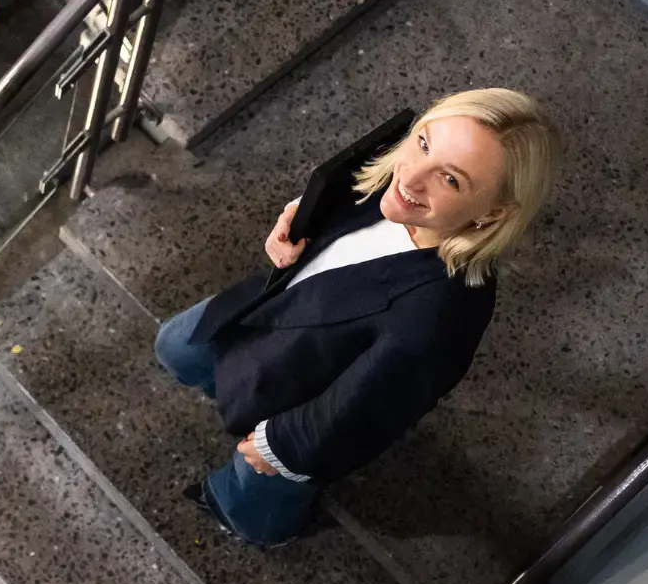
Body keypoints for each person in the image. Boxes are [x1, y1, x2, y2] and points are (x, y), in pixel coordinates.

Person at [155, 89, 559, 547]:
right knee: (177, 345)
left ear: (492, 214)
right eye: (424, 142)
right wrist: (299, 214)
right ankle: (230, 399)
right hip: (268, 316)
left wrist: (280, 445)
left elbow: (362, 406)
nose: (411, 175)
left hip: (302, 390)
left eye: (450, 180)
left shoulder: (438, 316)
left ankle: (254, 521)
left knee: (257, 488)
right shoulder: (397, 172)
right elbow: (343, 191)